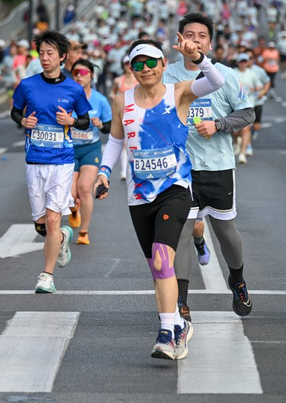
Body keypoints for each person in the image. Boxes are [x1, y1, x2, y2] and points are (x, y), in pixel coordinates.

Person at [95, 36, 226, 360]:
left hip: (175, 189)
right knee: (157, 269)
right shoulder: (122, 100)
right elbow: (115, 141)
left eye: (151, 62)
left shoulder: (178, 92)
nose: (145, 69)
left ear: (163, 64)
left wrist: (198, 57)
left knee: (161, 259)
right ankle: (178, 322)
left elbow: (216, 81)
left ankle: (167, 332)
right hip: (139, 196)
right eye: (138, 64)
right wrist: (104, 171)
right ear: (131, 68)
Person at [163, 14, 255, 323]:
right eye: (189, 34)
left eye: (202, 36)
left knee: (225, 232)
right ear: (179, 41)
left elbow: (248, 114)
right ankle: (181, 301)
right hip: (180, 169)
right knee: (182, 234)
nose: (195, 40)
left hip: (218, 166)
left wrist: (219, 124)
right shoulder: (167, 76)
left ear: (210, 44)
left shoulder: (225, 75)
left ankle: (237, 281)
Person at [10, 30, 92, 294]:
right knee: (42, 224)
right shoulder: (27, 85)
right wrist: (23, 121)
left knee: (54, 219)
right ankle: (63, 237)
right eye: (41, 53)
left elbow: (85, 121)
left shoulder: (74, 88)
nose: (45, 58)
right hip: (35, 160)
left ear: (62, 57)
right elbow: (15, 111)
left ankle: (46, 276)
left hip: (62, 161)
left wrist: (71, 121)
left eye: (50, 53)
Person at [67, 59, 112, 245]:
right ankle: (73, 209)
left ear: (91, 75)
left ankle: (84, 231)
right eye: (76, 72)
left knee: (85, 188)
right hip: (69, 149)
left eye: (84, 72)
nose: (79, 76)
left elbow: (109, 127)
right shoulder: (66, 98)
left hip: (90, 149)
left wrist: (100, 124)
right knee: (70, 194)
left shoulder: (100, 100)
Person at [232, 53, 265, 164]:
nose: (243, 63)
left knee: (246, 129)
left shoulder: (252, 74)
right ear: (238, 62)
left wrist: (256, 88)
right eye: (241, 61)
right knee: (235, 131)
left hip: (248, 104)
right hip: (235, 105)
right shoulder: (233, 73)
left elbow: (259, 85)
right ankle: (236, 140)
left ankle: (242, 154)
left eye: (245, 61)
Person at [110, 56, 138, 180]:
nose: (128, 66)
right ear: (123, 65)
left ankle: (134, 167)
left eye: (130, 63)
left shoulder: (139, 79)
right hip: (123, 114)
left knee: (134, 141)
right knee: (124, 142)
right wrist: (115, 98)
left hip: (136, 113)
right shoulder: (118, 80)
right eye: (126, 63)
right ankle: (123, 171)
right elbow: (112, 92)